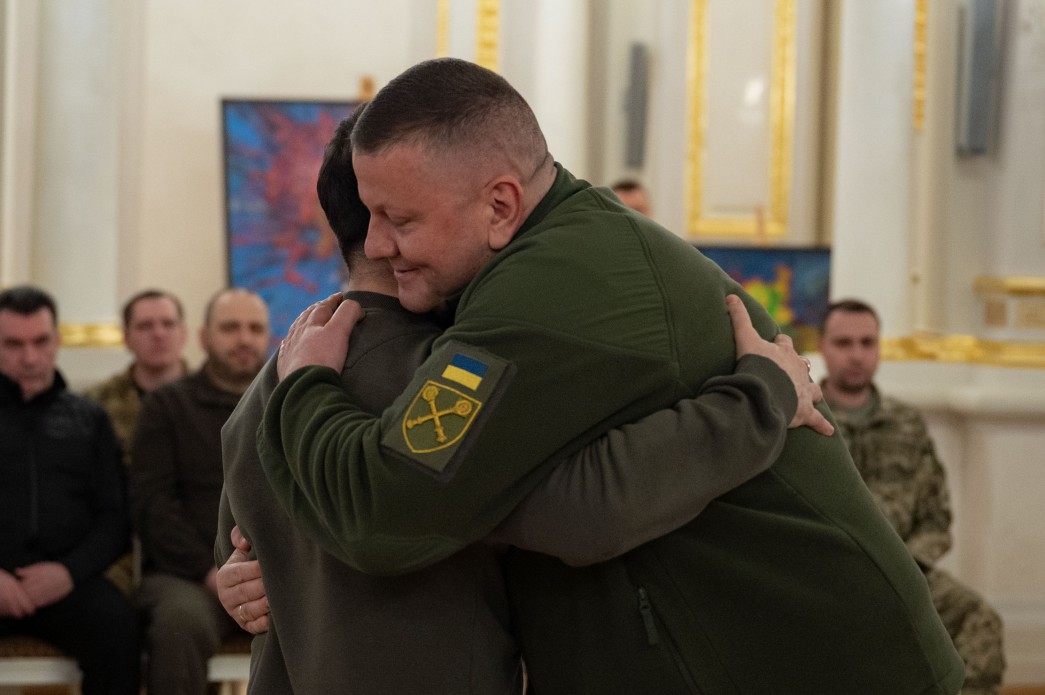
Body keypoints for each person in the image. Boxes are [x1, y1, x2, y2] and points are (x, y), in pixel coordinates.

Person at [262, 58, 964, 693]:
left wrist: (304, 389)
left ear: (500, 206)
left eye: (398, 218)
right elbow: (573, 503)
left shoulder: (544, 294)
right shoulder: (536, 260)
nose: (377, 246)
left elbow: (388, 512)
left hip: (802, 662)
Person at [215, 108, 820, 694]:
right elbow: (588, 506)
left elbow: (237, 552)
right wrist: (762, 399)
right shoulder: (448, 379)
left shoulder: (272, 381)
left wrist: (237, 579)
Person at [819, 298, 1006, 695]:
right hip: (827, 578)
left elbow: (937, 518)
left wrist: (906, 567)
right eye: (844, 343)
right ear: (822, 347)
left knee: (979, 619)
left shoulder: (907, 422)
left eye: (867, 343)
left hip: (908, 576)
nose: (856, 355)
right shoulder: (803, 417)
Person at [0, 285, 140, 695]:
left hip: (68, 583)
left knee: (119, 633)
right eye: (13, 344)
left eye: (41, 341)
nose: (30, 357)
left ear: (57, 340)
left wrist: (66, 573)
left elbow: (115, 519)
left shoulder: (89, 419)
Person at [130, 288, 268, 695]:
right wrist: (214, 571)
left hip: (275, 572)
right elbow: (153, 506)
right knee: (178, 626)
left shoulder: (291, 401)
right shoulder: (167, 406)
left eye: (254, 328)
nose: (243, 339)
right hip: (190, 577)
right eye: (230, 328)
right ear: (205, 337)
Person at [85, 288, 188, 593]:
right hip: (118, 538)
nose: (158, 334)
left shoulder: (206, 398)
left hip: (190, 535)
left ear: (183, 333)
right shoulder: (96, 405)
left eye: (167, 324)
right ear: (126, 337)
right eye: (145, 326)